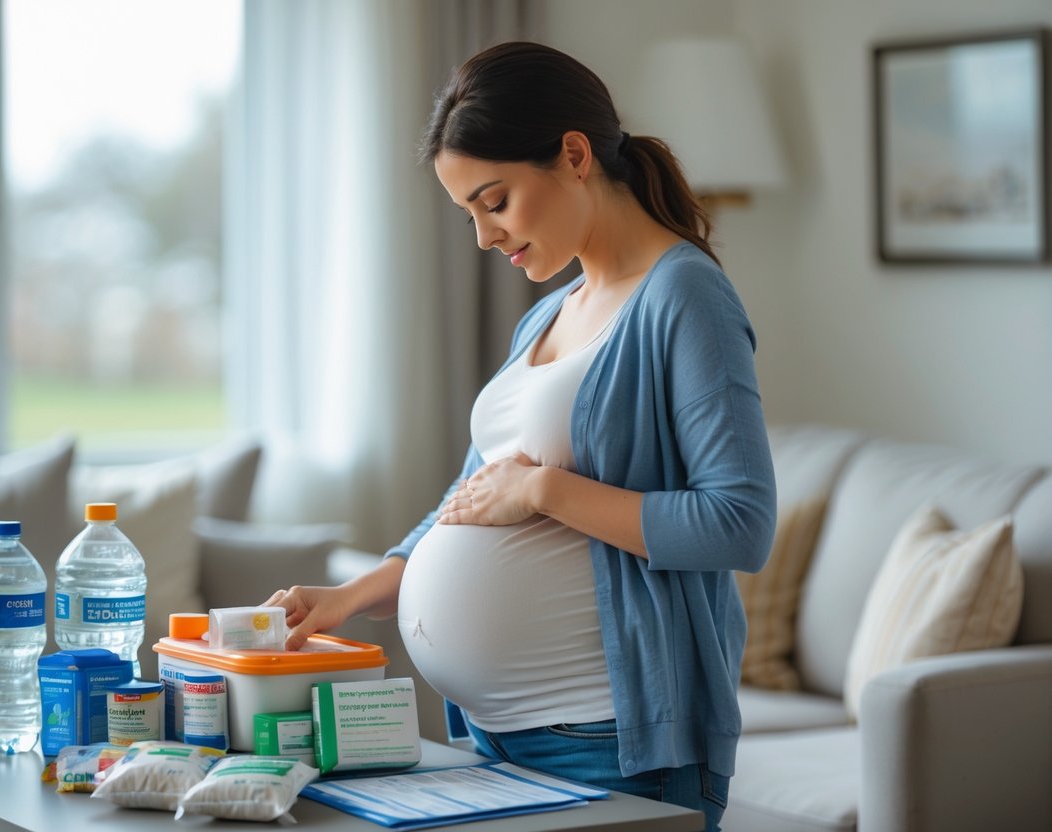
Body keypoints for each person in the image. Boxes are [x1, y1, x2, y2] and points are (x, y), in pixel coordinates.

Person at [264, 41, 776, 831]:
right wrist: (349, 597)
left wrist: (545, 489)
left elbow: (738, 523)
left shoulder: (685, 296)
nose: (482, 237)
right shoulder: (551, 311)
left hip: (611, 740)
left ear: (573, 155)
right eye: (467, 212)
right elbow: (471, 499)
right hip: (491, 738)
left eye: (493, 201)